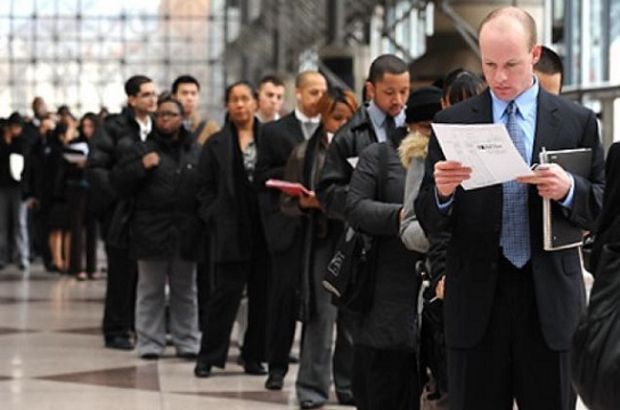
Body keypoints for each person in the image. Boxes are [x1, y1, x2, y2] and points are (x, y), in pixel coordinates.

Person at [415, 7, 605, 410]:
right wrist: (442, 193)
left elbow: (604, 209)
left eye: (512, 64)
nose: (499, 77)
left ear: (534, 54)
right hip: (477, 304)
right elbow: (429, 218)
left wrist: (570, 188)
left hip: (550, 303)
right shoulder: (454, 123)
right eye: (489, 65)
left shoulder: (578, 122)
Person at [399, 73, 485, 409]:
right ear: (444, 106)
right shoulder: (426, 152)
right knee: (447, 384)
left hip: (485, 283)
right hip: (443, 283)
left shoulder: (496, 144)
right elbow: (414, 225)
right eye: (457, 102)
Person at [279, 87, 358, 408]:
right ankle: (312, 388)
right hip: (322, 242)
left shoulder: (365, 149)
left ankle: (349, 385)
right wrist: (305, 203)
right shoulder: (303, 153)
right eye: (335, 117)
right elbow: (285, 203)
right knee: (320, 318)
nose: (341, 125)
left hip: (354, 240)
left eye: (347, 119)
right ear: (322, 117)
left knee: (352, 317)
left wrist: (325, 202)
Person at [110, 97, 202, 359]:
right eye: (160, 114)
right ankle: (150, 342)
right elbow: (119, 183)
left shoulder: (195, 150)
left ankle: (187, 341)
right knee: (150, 289)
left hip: (185, 230)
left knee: (185, 290)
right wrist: (141, 167)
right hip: (149, 229)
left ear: (181, 118)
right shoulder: (140, 149)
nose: (164, 119)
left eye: (170, 114)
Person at [255, 70, 327, 390]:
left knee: (322, 300)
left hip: (324, 226)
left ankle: (317, 371)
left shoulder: (333, 127)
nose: (319, 98)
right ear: (298, 92)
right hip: (288, 224)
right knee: (283, 297)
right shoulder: (274, 132)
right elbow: (261, 176)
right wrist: (292, 175)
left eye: (323, 92)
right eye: (313, 92)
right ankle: (277, 366)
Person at [194, 81, 269, 378]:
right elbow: (203, 188)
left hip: (264, 229)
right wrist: (213, 215)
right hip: (230, 228)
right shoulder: (215, 143)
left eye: (245, 99)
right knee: (224, 295)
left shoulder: (270, 138)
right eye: (234, 100)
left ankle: (254, 356)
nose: (240, 105)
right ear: (227, 105)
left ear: (255, 103)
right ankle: (209, 356)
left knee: (263, 296)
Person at [88, 75, 157, 350]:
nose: (152, 99)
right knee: (120, 273)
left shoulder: (157, 128)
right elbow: (97, 168)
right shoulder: (114, 128)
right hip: (120, 211)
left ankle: (139, 326)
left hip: (149, 212)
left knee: (146, 276)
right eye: (146, 94)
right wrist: (114, 195)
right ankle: (116, 328)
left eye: (154, 94)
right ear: (132, 99)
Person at [316, 54, 410, 221]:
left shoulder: (418, 128)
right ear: (371, 89)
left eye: (404, 91)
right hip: (366, 234)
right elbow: (327, 194)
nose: (398, 100)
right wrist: (366, 195)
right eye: (389, 92)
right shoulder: (349, 135)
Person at [0, 113, 29, 270]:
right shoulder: (2, 141)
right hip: (3, 187)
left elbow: (26, 160)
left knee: (20, 223)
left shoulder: (23, 142)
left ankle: (22, 256)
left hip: (19, 189)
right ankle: (3, 256)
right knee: (2, 224)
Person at [171, 75, 219, 145]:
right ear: (174, 97)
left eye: (193, 94)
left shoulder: (211, 129)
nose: (189, 98)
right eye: (184, 93)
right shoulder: (166, 127)